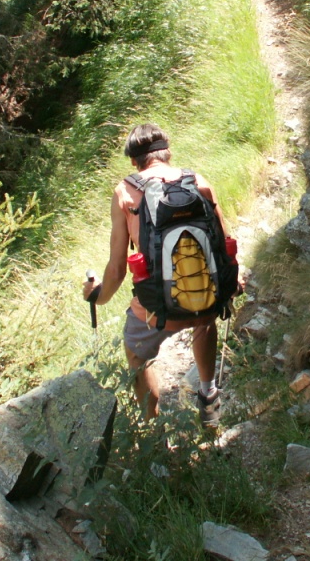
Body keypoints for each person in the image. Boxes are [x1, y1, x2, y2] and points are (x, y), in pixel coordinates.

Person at [82, 123, 227, 426]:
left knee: (135, 351)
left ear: (134, 160)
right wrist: (230, 285)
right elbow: (224, 242)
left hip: (159, 309)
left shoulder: (126, 192)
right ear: (167, 152)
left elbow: (118, 267)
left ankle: (152, 426)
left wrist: (98, 296)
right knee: (204, 321)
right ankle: (209, 395)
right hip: (208, 299)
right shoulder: (197, 181)